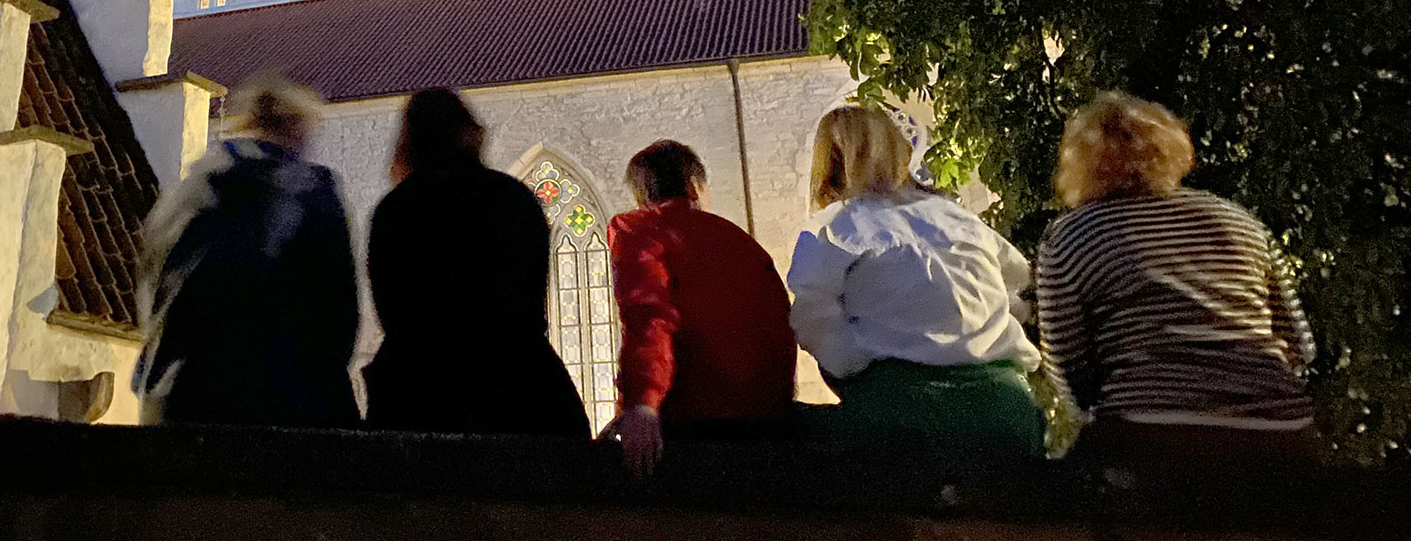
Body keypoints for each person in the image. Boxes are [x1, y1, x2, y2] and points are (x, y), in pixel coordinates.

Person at [1037, 92, 1317, 462]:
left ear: (1078, 165)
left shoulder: (1070, 236)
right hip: (1282, 432)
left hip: (1152, 433)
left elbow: (1070, 370)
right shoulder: (1239, 221)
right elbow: (1298, 343)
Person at [787, 106, 1044, 457]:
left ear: (828, 163)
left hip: (906, 414)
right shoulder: (959, 218)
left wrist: (858, 364)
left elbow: (811, 319)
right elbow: (1015, 283)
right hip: (1008, 412)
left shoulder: (835, 227)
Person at [132, 76, 360, 427]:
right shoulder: (313, 193)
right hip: (291, 401)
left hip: (188, 398)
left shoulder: (193, 190)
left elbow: (154, 280)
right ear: (293, 126)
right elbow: (339, 310)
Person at [363, 89, 588, 436]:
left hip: (419, 401)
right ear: (469, 133)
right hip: (518, 394)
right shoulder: (514, 201)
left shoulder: (395, 212)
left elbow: (391, 314)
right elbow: (527, 301)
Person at [602, 140, 798, 477]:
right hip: (767, 423)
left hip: (694, 428)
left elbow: (649, 317)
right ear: (695, 187)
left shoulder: (641, 231)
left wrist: (642, 406)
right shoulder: (741, 241)